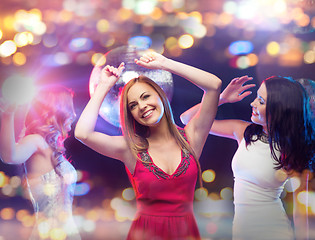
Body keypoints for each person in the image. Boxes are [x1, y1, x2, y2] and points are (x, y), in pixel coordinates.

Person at [75, 51, 222, 240]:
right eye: (133, 105)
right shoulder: (130, 149)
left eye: (145, 97)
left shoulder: (192, 137)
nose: (142, 106)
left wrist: (165, 63)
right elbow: (82, 133)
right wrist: (104, 86)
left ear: (160, 95)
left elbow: (214, 85)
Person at [180, 76, 315, 240]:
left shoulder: (293, 150)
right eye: (256, 98)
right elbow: (187, 119)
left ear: (280, 109)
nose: (253, 104)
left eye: (261, 101)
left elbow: (301, 213)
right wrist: (221, 98)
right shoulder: (244, 132)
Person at [0, 86, 81, 240]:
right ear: (58, 109)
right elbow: (9, 156)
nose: (74, 113)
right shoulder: (36, 141)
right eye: (70, 107)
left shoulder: (53, 147)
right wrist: (8, 115)